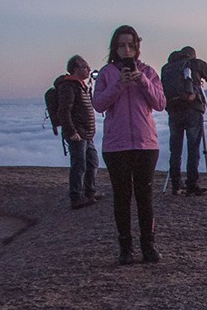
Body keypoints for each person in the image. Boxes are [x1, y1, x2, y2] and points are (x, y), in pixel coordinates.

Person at [93, 25, 167, 265]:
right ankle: (125, 248)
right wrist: (119, 84)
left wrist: (142, 80)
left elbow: (160, 103)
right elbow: (99, 104)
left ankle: (149, 246)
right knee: (122, 197)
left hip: (146, 144)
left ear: (137, 47)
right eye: (122, 45)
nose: (126, 49)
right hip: (116, 145)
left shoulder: (148, 71)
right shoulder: (106, 73)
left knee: (145, 196)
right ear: (115, 47)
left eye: (131, 45)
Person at [161, 46, 207, 196]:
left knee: (175, 149)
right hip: (192, 109)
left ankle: (176, 185)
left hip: (173, 110)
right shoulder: (195, 63)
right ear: (193, 55)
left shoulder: (167, 68)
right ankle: (191, 184)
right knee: (193, 147)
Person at [56, 55, 100, 209]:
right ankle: (76, 197)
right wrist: (71, 131)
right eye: (84, 66)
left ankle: (89, 192)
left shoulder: (81, 85)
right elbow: (64, 111)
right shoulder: (69, 86)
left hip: (86, 134)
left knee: (92, 162)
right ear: (75, 69)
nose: (88, 69)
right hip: (77, 133)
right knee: (79, 164)